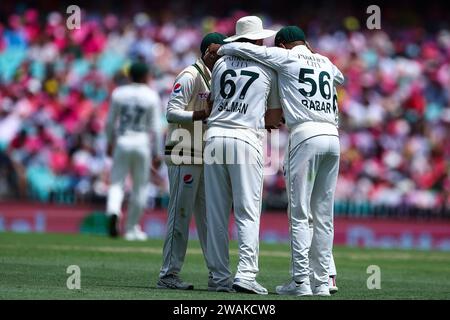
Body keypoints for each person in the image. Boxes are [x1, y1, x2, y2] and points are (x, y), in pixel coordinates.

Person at [214, 26, 344, 296]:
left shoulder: (286, 57)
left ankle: (301, 283)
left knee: (300, 214)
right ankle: (322, 283)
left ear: (283, 44)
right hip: (333, 137)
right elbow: (339, 77)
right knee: (324, 216)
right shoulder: (327, 62)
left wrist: (224, 47)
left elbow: (249, 49)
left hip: (305, 134)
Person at [204, 16, 283, 294]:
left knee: (215, 212)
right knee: (247, 212)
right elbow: (273, 117)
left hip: (214, 137)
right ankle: (246, 275)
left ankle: (218, 277)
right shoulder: (267, 66)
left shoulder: (221, 63)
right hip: (246, 139)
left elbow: (213, 103)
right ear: (259, 39)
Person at [157, 33, 227, 290]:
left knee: (209, 218)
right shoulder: (189, 75)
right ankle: (168, 275)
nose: (216, 56)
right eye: (212, 52)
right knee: (180, 214)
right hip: (182, 152)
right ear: (203, 52)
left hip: (204, 154)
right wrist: (201, 114)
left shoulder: (217, 77)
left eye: (221, 53)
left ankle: (216, 275)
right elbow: (171, 112)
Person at [105, 62, 162, 241]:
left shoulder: (119, 93)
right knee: (140, 186)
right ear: (146, 76)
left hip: (122, 140)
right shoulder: (151, 96)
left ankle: (114, 211)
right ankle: (131, 228)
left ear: (129, 76)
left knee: (117, 183)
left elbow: (110, 122)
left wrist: (109, 142)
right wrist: (158, 152)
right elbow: (157, 128)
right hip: (142, 142)